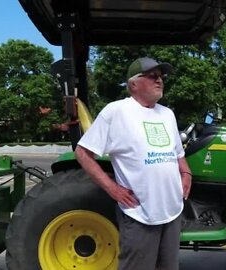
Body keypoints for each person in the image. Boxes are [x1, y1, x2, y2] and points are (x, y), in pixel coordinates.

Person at [75, 57, 192, 270]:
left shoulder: (167, 114)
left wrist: (186, 173)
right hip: (140, 213)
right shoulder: (116, 111)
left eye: (161, 77)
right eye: (153, 76)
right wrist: (112, 189)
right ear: (133, 84)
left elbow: (177, 153)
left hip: (172, 211)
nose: (160, 80)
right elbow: (82, 153)